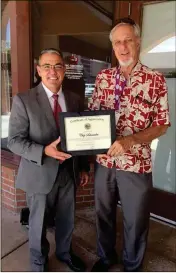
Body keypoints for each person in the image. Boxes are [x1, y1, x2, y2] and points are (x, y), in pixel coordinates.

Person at [89, 18, 170, 272]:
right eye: (117, 43)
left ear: (137, 42)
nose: (122, 47)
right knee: (103, 214)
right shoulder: (103, 77)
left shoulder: (155, 79)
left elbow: (162, 124)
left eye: (127, 41)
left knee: (135, 219)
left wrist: (131, 139)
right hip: (105, 160)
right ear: (113, 47)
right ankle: (106, 258)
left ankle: (132, 266)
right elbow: (92, 115)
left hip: (136, 162)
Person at [8, 48, 89, 272]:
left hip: (68, 172)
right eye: (47, 66)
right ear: (38, 70)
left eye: (57, 66)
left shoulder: (75, 99)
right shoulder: (23, 100)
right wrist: (44, 150)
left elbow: (81, 137)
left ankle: (64, 252)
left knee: (67, 219)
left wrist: (82, 168)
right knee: (38, 223)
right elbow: (14, 141)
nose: (52, 71)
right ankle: (38, 261)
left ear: (64, 70)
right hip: (39, 171)